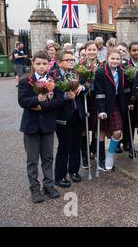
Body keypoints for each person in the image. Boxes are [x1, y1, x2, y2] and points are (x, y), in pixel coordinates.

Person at [18, 50, 63, 203]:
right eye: (38, 64)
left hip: (48, 125)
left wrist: (43, 106)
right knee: (32, 159)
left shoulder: (53, 81)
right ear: (33, 63)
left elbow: (58, 101)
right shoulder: (26, 81)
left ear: (49, 65)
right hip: (31, 126)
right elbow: (22, 101)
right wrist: (36, 99)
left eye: (44, 64)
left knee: (48, 157)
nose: (41, 67)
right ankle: (35, 189)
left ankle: (49, 185)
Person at [49, 50, 87, 188]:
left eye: (72, 59)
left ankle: (74, 171)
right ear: (59, 62)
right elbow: (50, 95)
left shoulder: (76, 73)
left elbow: (87, 85)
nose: (71, 62)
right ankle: (60, 176)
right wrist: (65, 96)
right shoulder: (53, 75)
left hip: (77, 113)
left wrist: (82, 87)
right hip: (63, 116)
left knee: (76, 144)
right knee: (64, 145)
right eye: (68, 60)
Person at [94, 49, 128, 172]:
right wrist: (101, 110)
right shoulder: (100, 72)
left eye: (117, 59)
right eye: (112, 58)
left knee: (118, 132)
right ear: (107, 58)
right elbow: (99, 92)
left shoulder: (121, 71)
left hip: (117, 105)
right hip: (104, 105)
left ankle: (109, 155)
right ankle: (101, 160)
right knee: (102, 132)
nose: (115, 61)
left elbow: (124, 88)